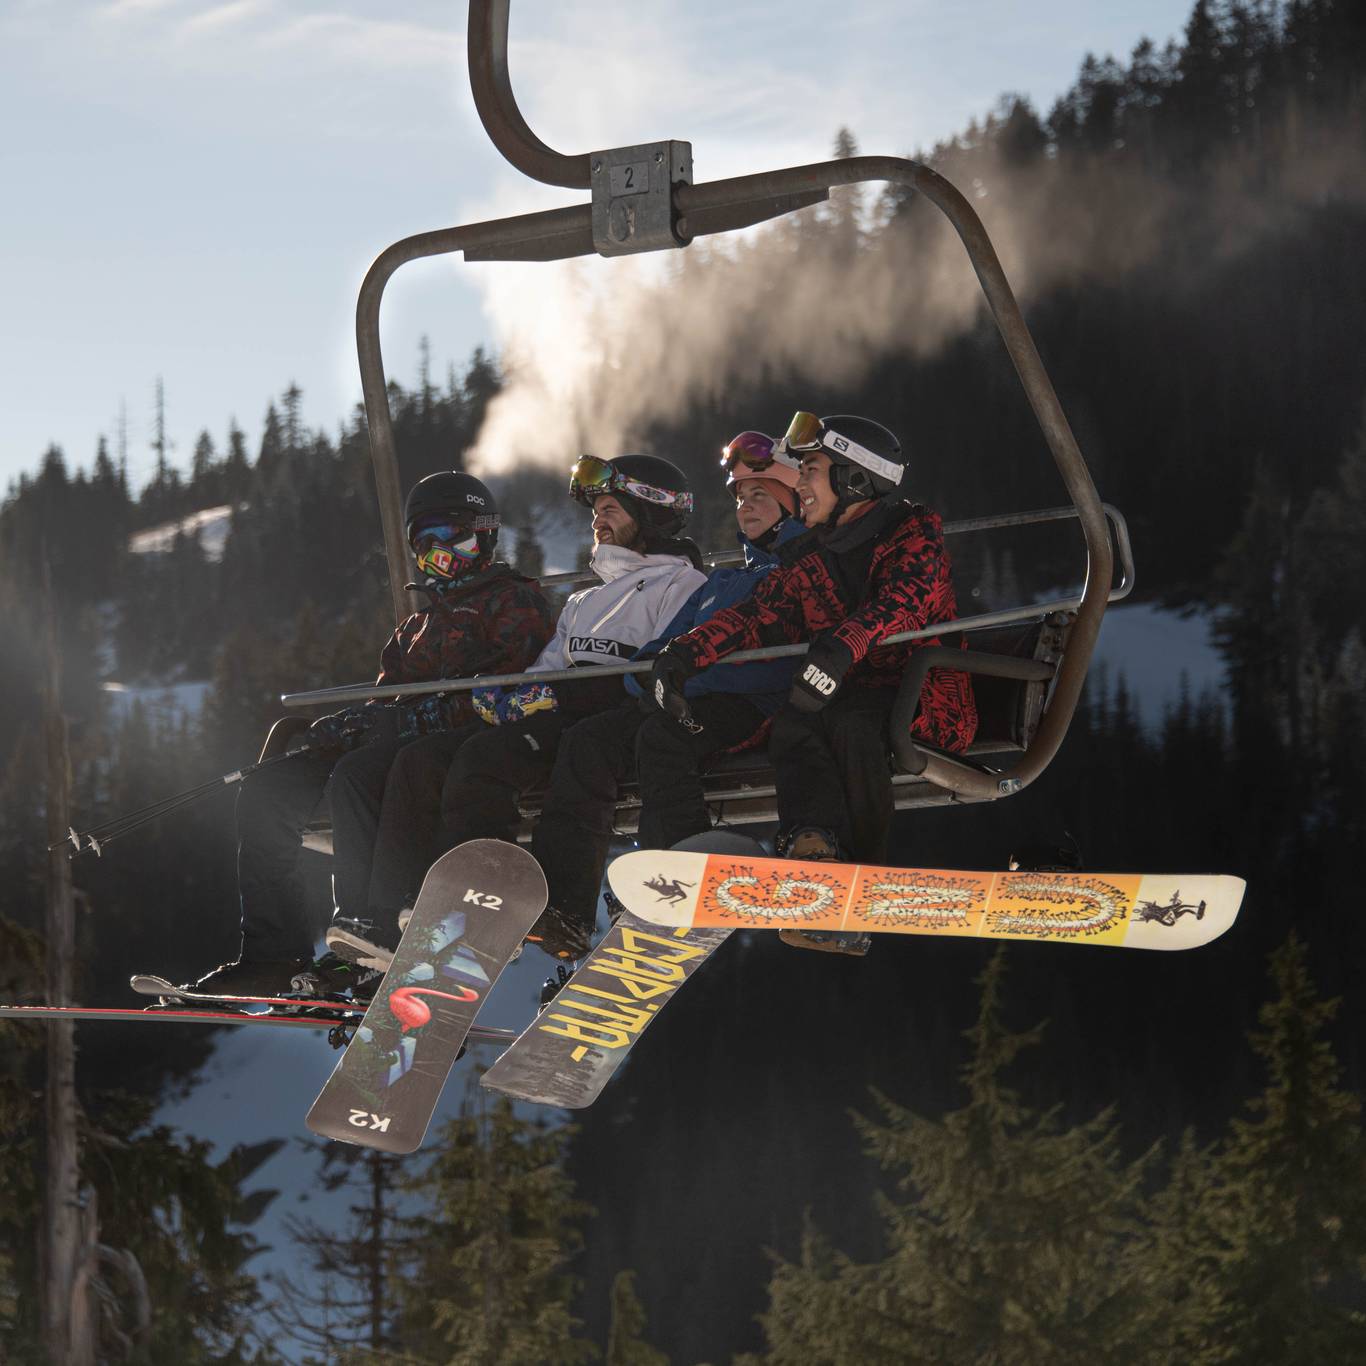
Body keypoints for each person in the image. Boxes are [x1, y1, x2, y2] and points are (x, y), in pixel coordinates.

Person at [183, 470, 557, 995]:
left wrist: (403, 720)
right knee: (270, 788)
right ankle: (273, 950)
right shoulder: (416, 627)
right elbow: (387, 701)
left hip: (449, 749)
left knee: (361, 775)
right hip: (395, 742)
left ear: (486, 534)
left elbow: (499, 697)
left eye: (453, 535)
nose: (439, 552)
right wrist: (343, 726)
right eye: (425, 542)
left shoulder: (512, 603)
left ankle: (366, 926)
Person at [335, 453, 706, 967]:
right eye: (595, 509)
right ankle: (468, 896)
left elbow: (663, 657)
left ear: (654, 514)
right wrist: (509, 697)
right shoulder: (585, 600)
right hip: (562, 714)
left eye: (612, 508)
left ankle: (551, 907)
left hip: (617, 711)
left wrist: (560, 695)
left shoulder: (682, 586)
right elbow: (548, 666)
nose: (598, 518)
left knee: (563, 753)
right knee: (479, 755)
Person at [647, 412, 978, 955]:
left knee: (850, 722)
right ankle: (813, 852)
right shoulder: (815, 558)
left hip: (925, 699)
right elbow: (758, 613)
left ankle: (861, 883)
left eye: (811, 471)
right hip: (843, 695)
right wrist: (685, 653)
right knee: (796, 723)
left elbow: (904, 603)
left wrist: (841, 649)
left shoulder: (912, 534)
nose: (799, 485)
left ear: (854, 478)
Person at [527, 431, 809, 959]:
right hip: (683, 696)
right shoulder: (726, 582)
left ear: (795, 505)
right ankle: (569, 902)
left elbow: (770, 651)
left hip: (749, 702)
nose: (746, 507)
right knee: (592, 740)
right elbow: (671, 642)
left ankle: (677, 866)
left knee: (662, 736)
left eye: (760, 497)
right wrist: (646, 677)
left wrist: (680, 677)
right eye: (741, 498)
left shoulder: (797, 574)